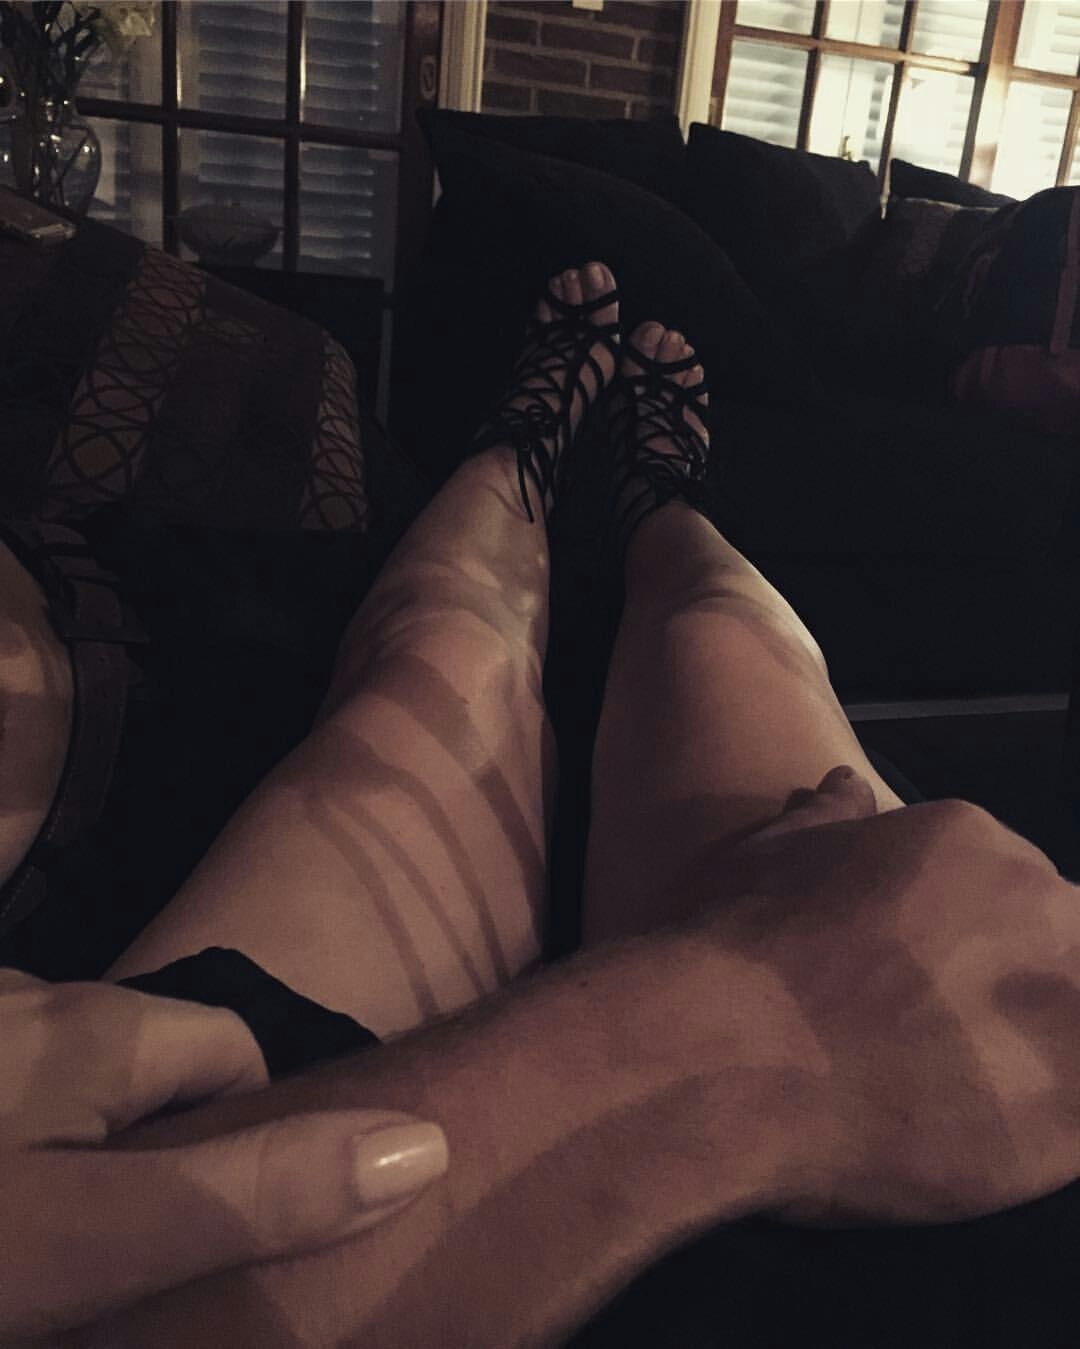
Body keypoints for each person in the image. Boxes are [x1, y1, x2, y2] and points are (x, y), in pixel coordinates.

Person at [3, 262, 1080, 1348]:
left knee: (444, 651)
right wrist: (760, 1004)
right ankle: (658, 502)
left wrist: (761, 997)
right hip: (946, 1244)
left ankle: (521, 456)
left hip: (241, 1116)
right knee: (719, 629)